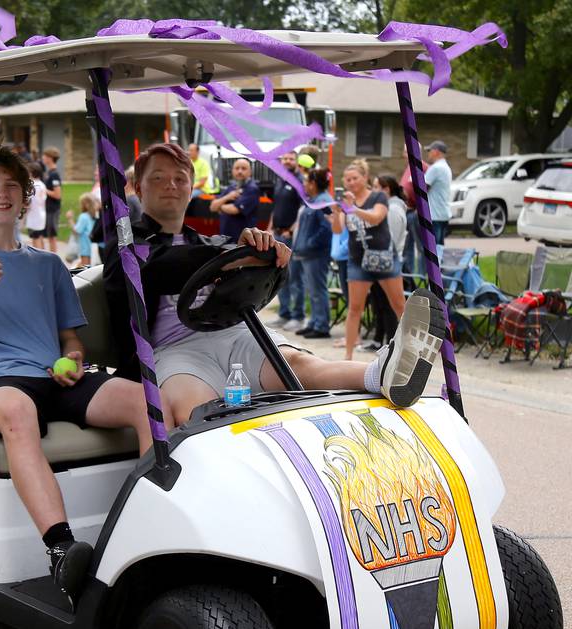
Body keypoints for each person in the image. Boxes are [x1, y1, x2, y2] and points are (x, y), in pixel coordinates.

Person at [0, 146, 158, 600]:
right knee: (18, 413)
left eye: (11, 186)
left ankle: (148, 523)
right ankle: (60, 547)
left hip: (57, 377)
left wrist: (74, 357)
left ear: (25, 199)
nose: (1, 194)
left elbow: (71, 340)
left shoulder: (48, 264)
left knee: (145, 400)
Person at [104, 143, 445, 427]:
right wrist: (233, 253)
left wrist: (265, 252)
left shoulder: (208, 241)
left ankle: (383, 371)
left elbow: (220, 258)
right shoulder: (128, 246)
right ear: (138, 188)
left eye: (180, 178)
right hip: (172, 352)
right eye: (159, 178)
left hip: (233, 335)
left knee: (298, 365)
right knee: (200, 411)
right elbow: (160, 268)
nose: (171, 186)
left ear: (192, 188)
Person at [331, 159, 407, 360]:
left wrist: (353, 209)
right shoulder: (346, 204)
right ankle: (348, 356)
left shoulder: (378, 197)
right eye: (347, 180)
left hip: (383, 258)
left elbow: (376, 218)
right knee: (355, 308)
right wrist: (336, 213)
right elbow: (338, 230)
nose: (351, 183)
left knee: (399, 304)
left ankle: (410, 349)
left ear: (365, 178)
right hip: (357, 260)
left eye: (355, 178)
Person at [364, 175, 409, 350]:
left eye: (375, 187)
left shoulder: (393, 210)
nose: (372, 191)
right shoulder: (384, 208)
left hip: (386, 263)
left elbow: (390, 239)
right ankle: (378, 339)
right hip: (377, 261)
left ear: (386, 190)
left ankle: (391, 342)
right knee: (378, 302)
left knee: (389, 304)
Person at [293, 168, 333, 338]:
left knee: (318, 290)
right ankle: (314, 322)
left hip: (317, 254)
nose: (304, 184)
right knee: (312, 290)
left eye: (306, 181)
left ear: (313, 183)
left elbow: (326, 229)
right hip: (308, 254)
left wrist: (309, 244)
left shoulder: (324, 202)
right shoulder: (314, 200)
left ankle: (322, 326)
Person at [267, 151, 305, 331]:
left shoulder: (299, 182)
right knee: (279, 276)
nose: (288, 161)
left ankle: (298, 316)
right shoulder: (280, 180)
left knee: (294, 277)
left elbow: (302, 209)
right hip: (276, 233)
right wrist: (269, 227)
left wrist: (292, 230)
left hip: (290, 236)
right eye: (285, 158)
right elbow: (276, 208)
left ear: (296, 162)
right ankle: (284, 314)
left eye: (291, 158)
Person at [208, 158, 260, 241]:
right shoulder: (231, 187)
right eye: (237, 168)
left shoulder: (252, 189)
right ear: (232, 171)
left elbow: (235, 209)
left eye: (243, 168)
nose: (240, 171)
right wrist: (227, 197)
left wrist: (220, 206)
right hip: (225, 238)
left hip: (242, 241)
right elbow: (212, 207)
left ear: (250, 172)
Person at [399, 143, 427, 276]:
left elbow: (426, 190)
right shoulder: (409, 168)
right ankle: (409, 277)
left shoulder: (423, 167)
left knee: (421, 247)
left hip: (416, 212)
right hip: (406, 212)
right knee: (406, 247)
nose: (403, 155)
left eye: (405, 152)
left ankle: (423, 276)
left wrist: (419, 208)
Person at [424, 140, 452, 246]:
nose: (428, 154)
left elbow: (423, 188)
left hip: (434, 214)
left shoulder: (435, 168)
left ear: (436, 152)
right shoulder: (446, 167)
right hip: (443, 213)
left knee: (432, 248)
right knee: (439, 248)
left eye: (429, 151)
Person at [66, 192, 98, 267]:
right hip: (93, 246)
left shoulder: (84, 216)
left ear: (86, 205)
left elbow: (77, 231)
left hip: (85, 247)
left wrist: (70, 219)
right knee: (90, 266)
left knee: (85, 267)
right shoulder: (95, 215)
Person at [40, 146, 62, 254]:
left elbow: (57, 195)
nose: (43, 158)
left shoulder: (54, 175)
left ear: (50, 158)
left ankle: (54, 258)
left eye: (44, 156)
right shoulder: (49, 173)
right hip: (47, 208)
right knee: (48, 235)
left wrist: (44, 189)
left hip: (53, 209)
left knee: (52, 236)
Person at [24, 161, 47, 249]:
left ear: (31, 173)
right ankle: (44, 257)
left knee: (35, 239)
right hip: (41, 215)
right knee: (40, 237)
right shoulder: (42, 184)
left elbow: (29, 202)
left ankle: (38, 259)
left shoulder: (33, 186)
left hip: (34, 216)